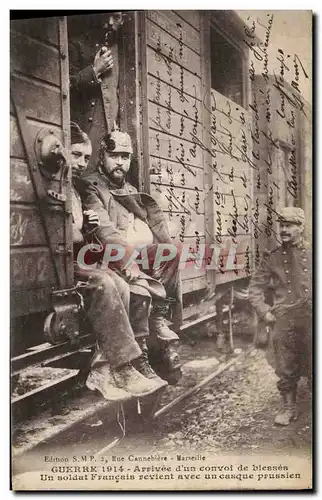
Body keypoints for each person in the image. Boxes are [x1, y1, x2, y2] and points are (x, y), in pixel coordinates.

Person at [70, 122, 167, 402]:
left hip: (109, 257)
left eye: (126, 157)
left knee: (151, 273)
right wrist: (128, 264)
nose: (80, 163)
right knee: (117, 284)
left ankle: (138, 360)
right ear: (104, 157)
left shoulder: (117, 188)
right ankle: (118, 368)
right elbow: (103, 234)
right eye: (75, 155)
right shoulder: (87, 186)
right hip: (92, 260)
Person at [249, 207, 312, 426]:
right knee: (285, 364)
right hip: (284, 318)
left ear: (301, 228)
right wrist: (264, 311)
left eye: (289, 226)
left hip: (312, 316)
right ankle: (289, 407)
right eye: (282, 226)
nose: (283, 230)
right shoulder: (272, 257)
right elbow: (255, 289)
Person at [68, 12, 123, 170]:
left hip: (110, 140)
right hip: (83, 137)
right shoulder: (76, 44)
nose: (109, 22)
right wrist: (94, 70)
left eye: (116, 17)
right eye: (107, 15)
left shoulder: (123, 51)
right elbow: (64, 87)